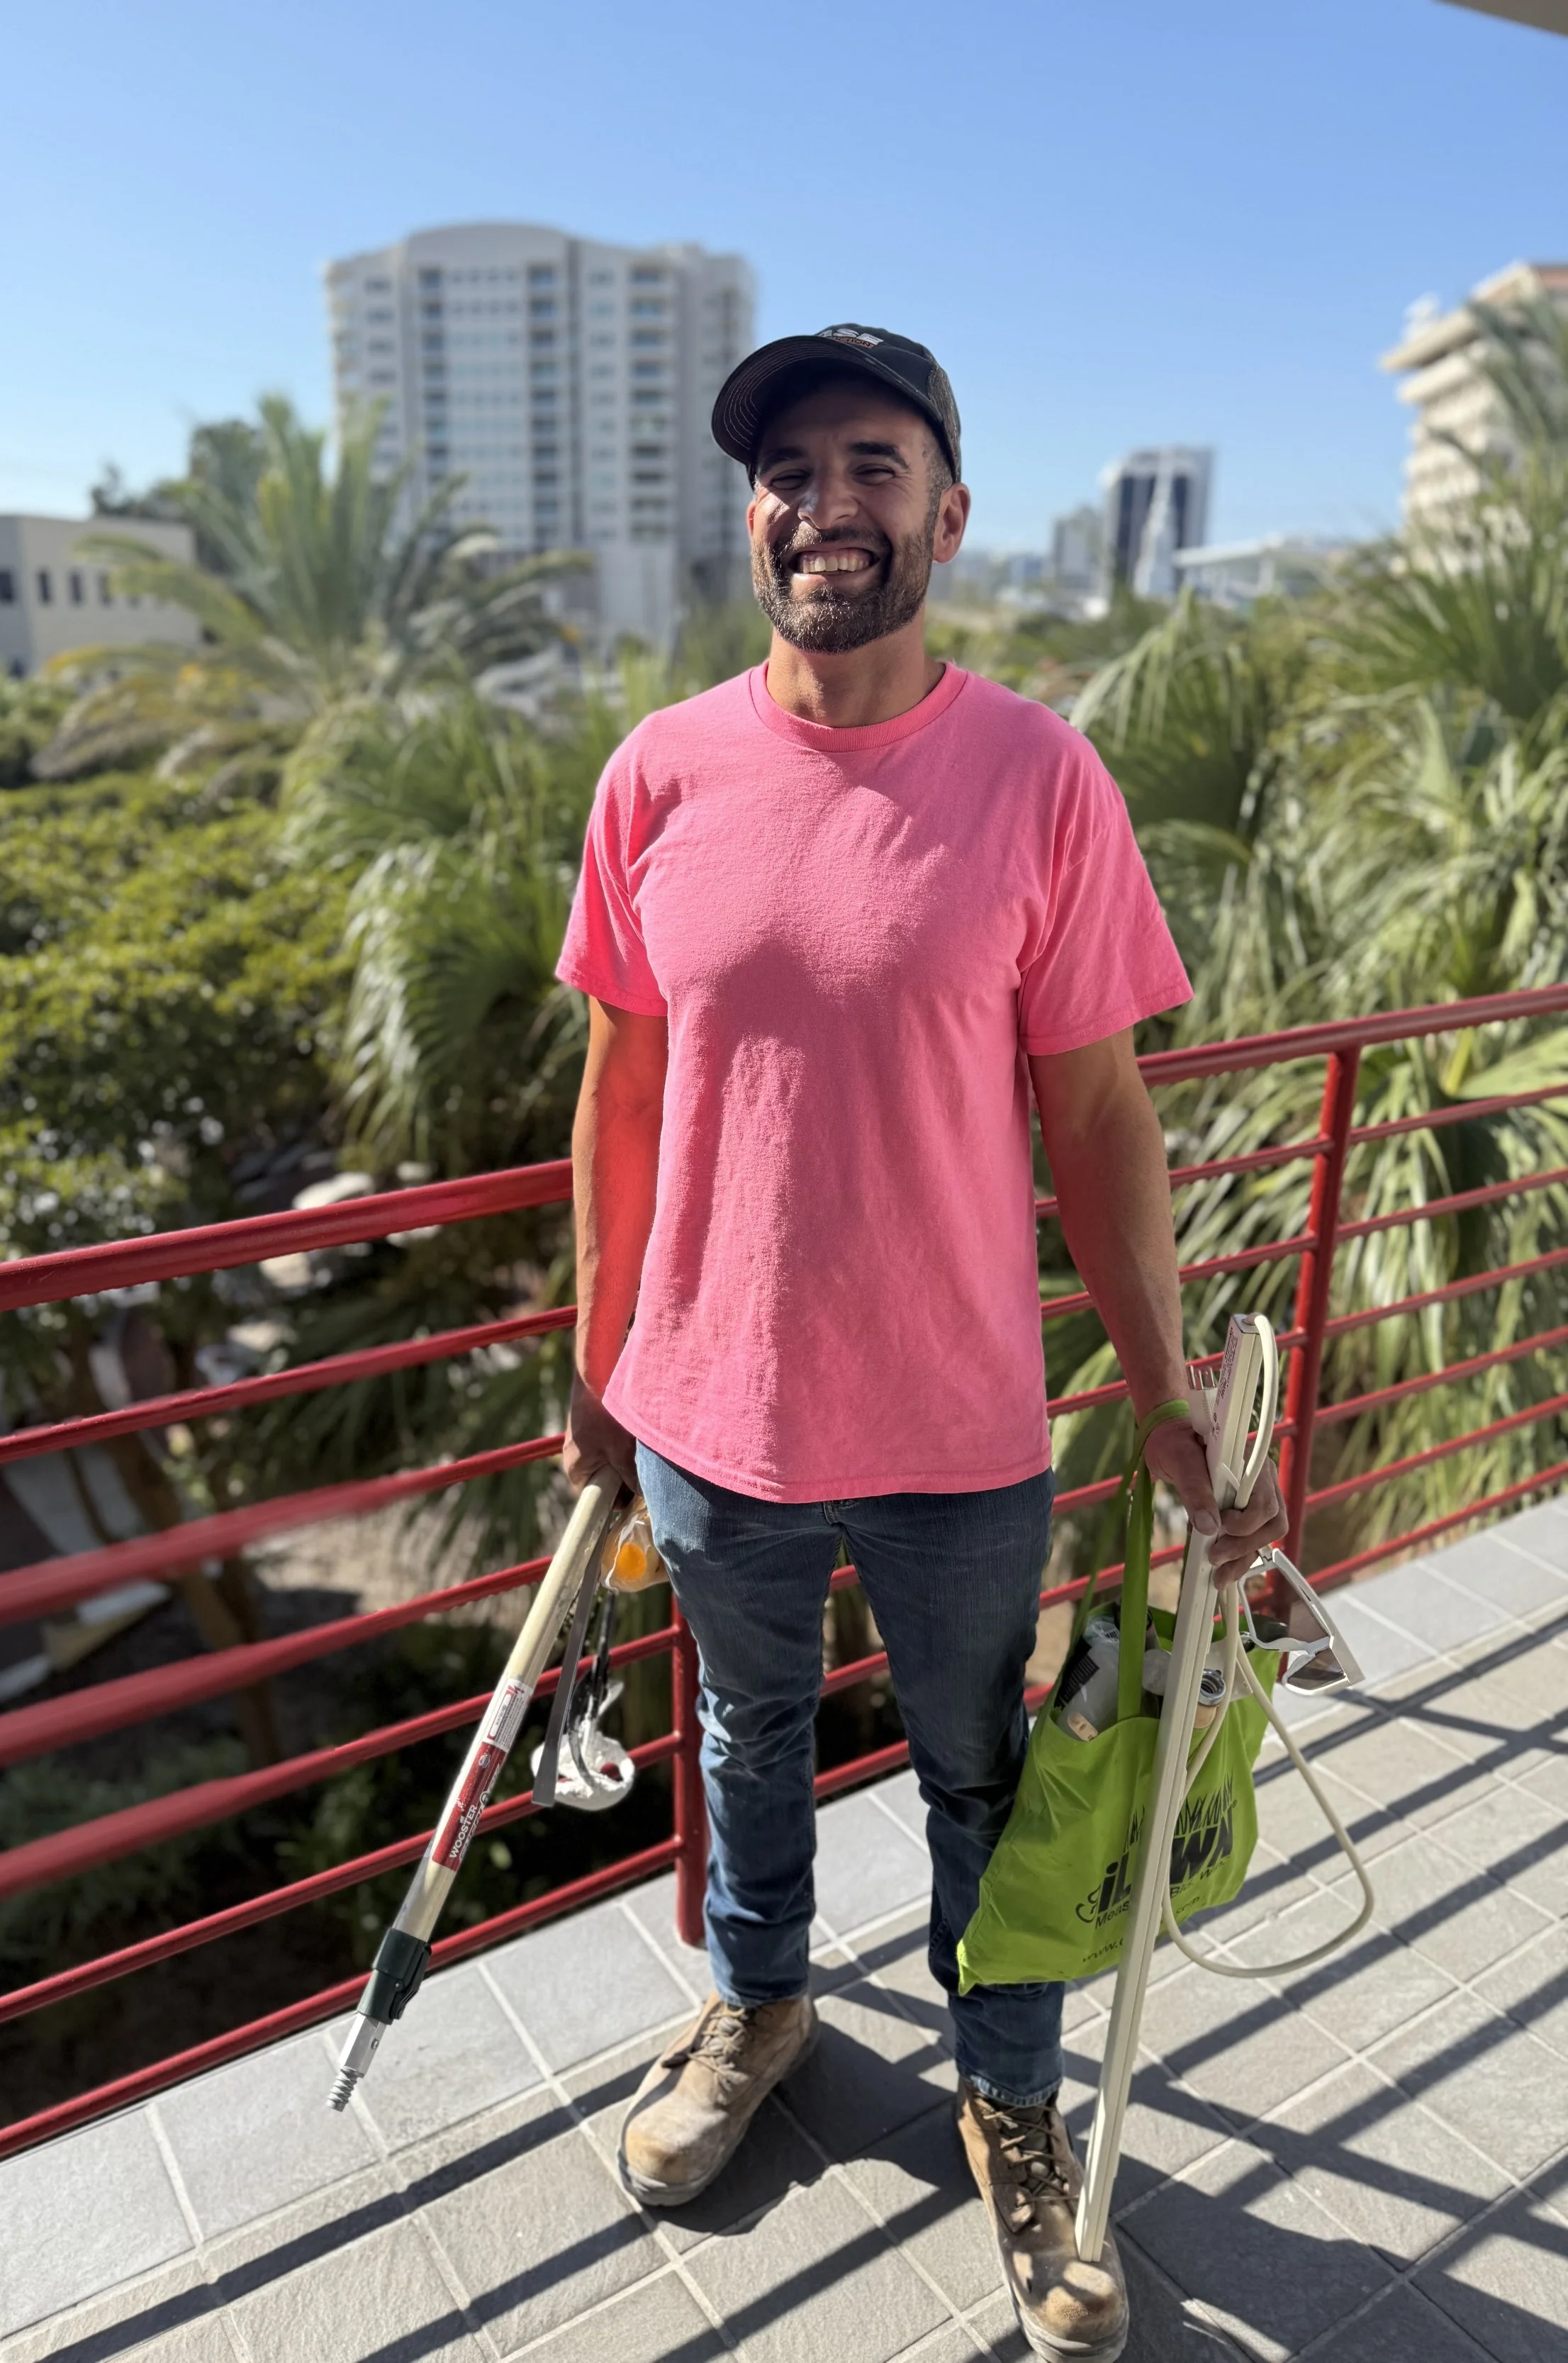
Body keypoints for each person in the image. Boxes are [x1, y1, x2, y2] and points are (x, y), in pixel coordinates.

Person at [556, 323, 1284, 2363]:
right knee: (742, 1745)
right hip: (702, 1405)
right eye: (791, 470)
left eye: (872, 467)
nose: (826, 505)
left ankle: (1014, 2104)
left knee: (991, 1788)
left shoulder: (1036, 774)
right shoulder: (659, 770)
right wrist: (591, 1365)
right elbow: (617, 1092)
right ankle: (758, 1999)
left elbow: (1102, 1114)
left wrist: (1157, 1395)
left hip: (961, 1426)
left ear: (944, 517)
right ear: (756, 516)